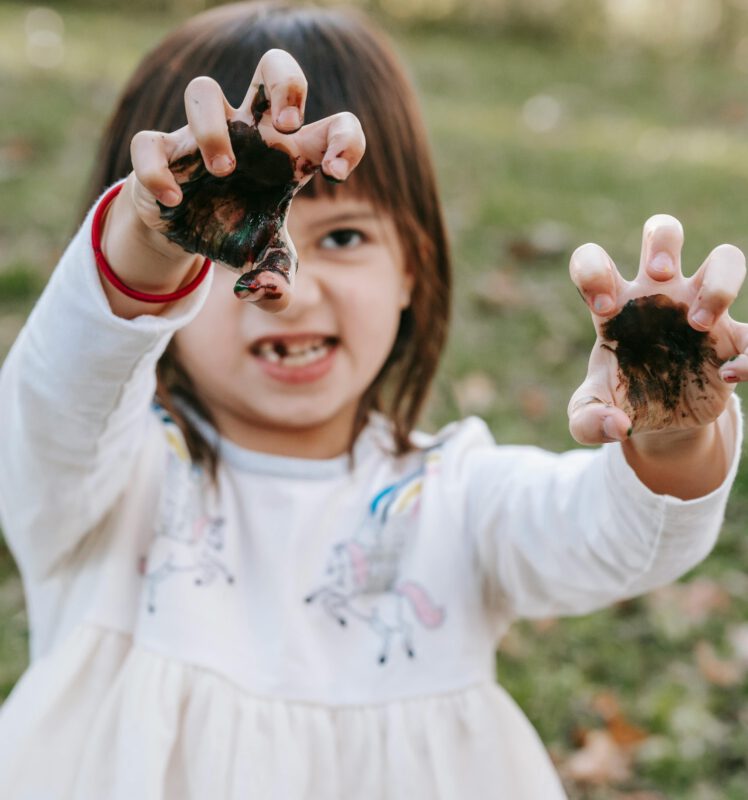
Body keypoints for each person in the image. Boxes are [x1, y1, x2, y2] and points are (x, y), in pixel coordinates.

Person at [0, 2, 744, 798]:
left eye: (346, 238)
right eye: (230, 228)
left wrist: (671, 432)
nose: (293, 285)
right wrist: (146, 245)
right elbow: (56, 399)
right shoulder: (102, 481)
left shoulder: (455, 499)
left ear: (411, 273)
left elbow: (611, 536)